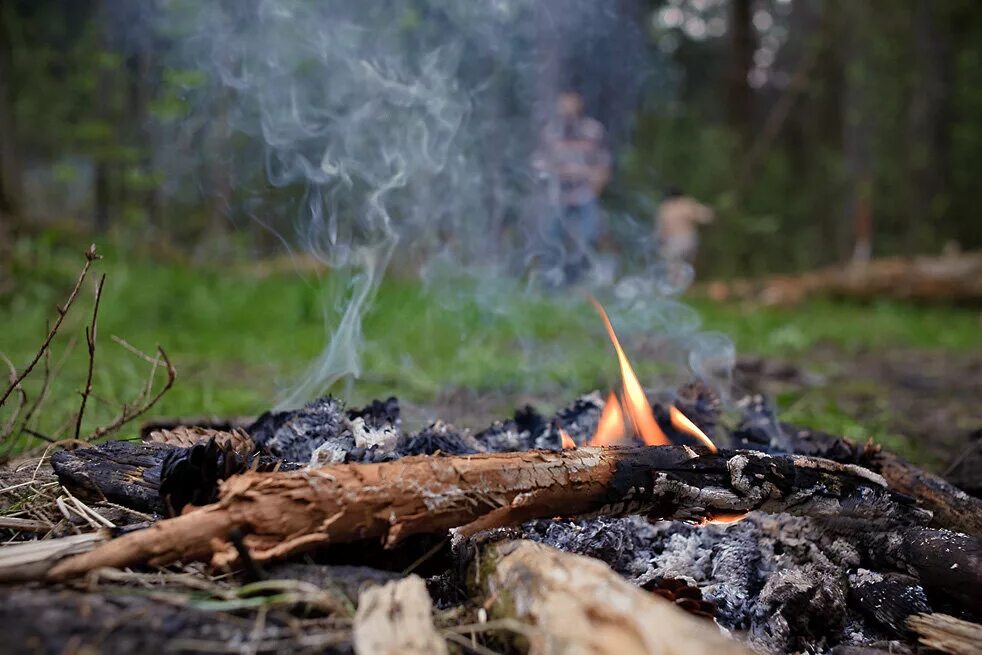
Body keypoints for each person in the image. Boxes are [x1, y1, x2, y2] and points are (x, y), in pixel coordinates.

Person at [534, 90, 611, 277]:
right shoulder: (550, 132)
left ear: (579, 105)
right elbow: (539, 163)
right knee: (551, 238)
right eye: (563, 104)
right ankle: (550, 280)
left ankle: (576, 278)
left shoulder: (593, 130)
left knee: (588, 237)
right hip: (557, 196)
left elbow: (603, 162)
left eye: (571, 103)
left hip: (585, 194)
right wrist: (554, 175)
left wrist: (596, 186)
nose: (567, 108)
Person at [655, 187, 714, 265]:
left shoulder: (665, 208)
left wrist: (660, 242)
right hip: (690, 241)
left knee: (674, 267)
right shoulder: (687, 204)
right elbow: (707, 217)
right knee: (686, 266)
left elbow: (660, 230)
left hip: (674, 241)